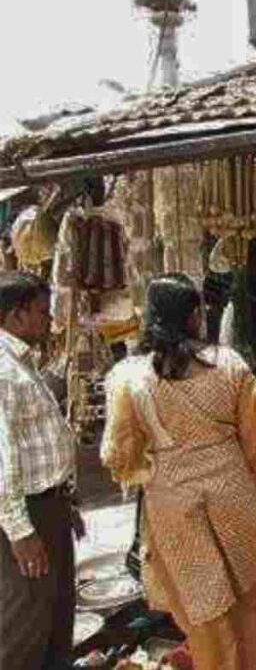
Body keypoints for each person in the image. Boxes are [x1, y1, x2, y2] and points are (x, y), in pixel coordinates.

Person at [102, 274, 256, 670]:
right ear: (195, 316)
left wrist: (155, 465)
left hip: (174, 507)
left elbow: (118, 456)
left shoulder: (128, 377)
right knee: (251, 599)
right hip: (234, 494)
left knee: (204, 609)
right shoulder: (228, 364)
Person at [0, 271, 79, 670]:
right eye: (42, 312)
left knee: (56, 614)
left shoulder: (21, 362)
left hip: (49, 504)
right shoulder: (3, 370)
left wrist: (67, 501)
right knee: (25, 623)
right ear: (16, 315)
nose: (49, 320)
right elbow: (2, 458)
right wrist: (20, 531)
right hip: (28, 513)